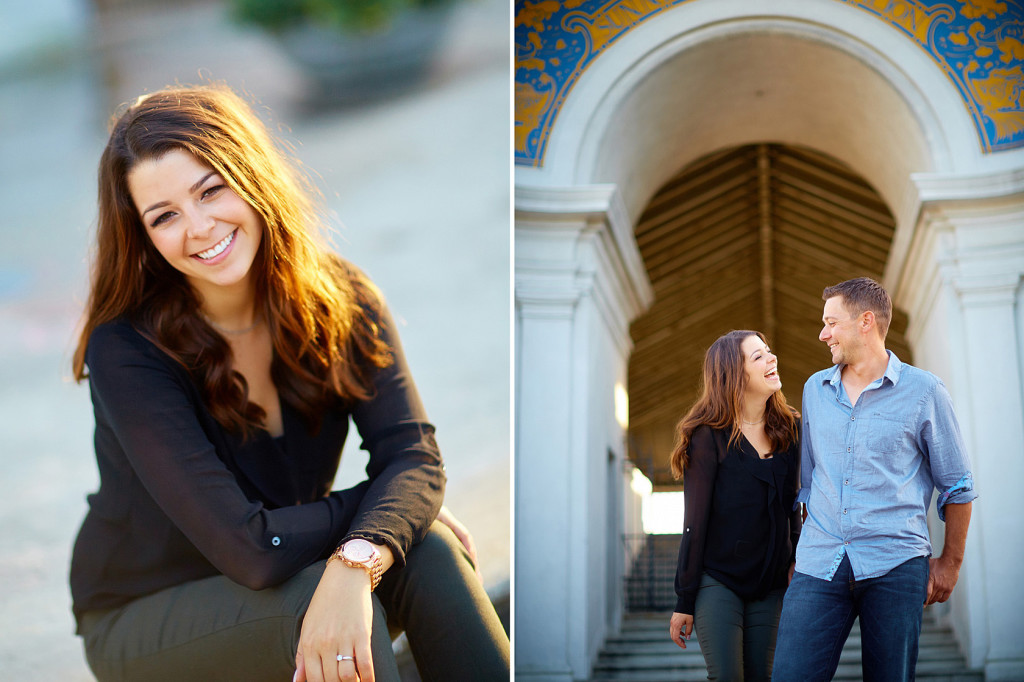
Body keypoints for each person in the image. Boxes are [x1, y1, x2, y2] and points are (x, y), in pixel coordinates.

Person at [69, 83, 509, 682]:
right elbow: (249, 549)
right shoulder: (128, 349)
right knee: (349, 581)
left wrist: (370, 546)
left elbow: (412, 457)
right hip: (146, 614)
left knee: (428, 551)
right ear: (144, 237)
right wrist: (392, 511)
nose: (198, 228)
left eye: (211, 189)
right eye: (164, 216)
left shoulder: (340, 297)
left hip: (283, 569)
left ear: (250, 176)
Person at [772, 277, 976, 681]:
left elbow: (957, 485)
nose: (822, 333)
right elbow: (810, 484)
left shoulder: (924, 391)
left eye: (831, 323)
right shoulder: (815, 389)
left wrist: (950, 563)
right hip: (820, 562)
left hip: (896, 563)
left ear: (866, 322)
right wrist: (801, 550)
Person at [668, 330, 802, 681]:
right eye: (758, 356)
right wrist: (685, 600)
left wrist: (794, 559)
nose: (772, 358)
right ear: (733, 373)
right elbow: (694, 523)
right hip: (718, 580)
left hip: (771, 584)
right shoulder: (707, 437)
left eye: (769, 352)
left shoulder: (791, 430)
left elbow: (793, 508)